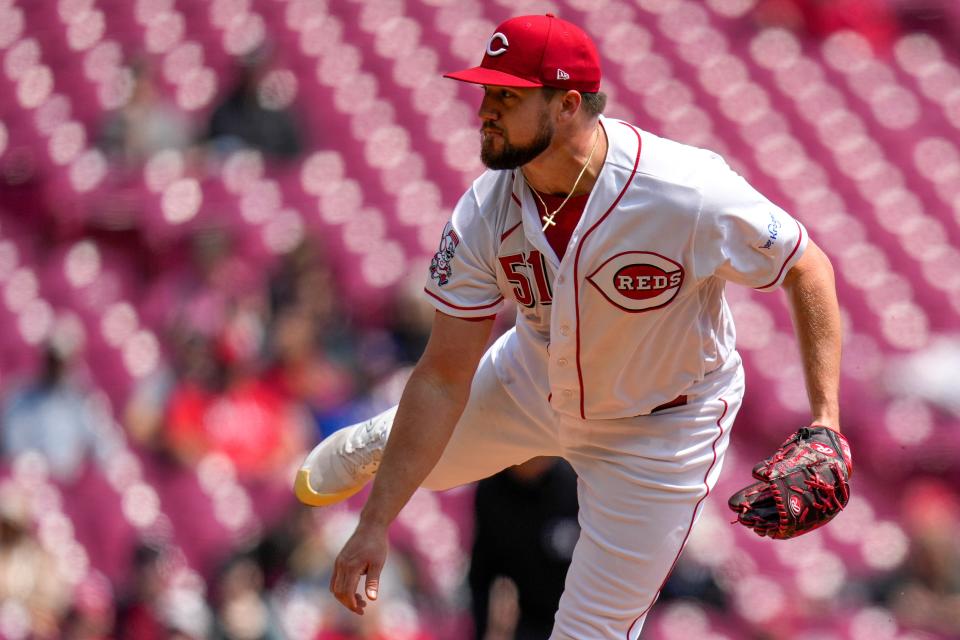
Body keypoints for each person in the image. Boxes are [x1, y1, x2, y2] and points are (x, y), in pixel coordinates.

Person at [294, 14, 843, 638]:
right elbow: (443, 374)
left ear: (567, 105)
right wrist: (374, 524)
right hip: (534, 380)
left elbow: (807, 266)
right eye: (485, 92)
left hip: (660, 427)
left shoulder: (685, 190)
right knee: (432, 463)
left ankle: (395, 441)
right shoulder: (484, 208)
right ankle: (385, 440)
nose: (485, 110)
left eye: (508, 96)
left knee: (589, 633)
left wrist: (825, 419)